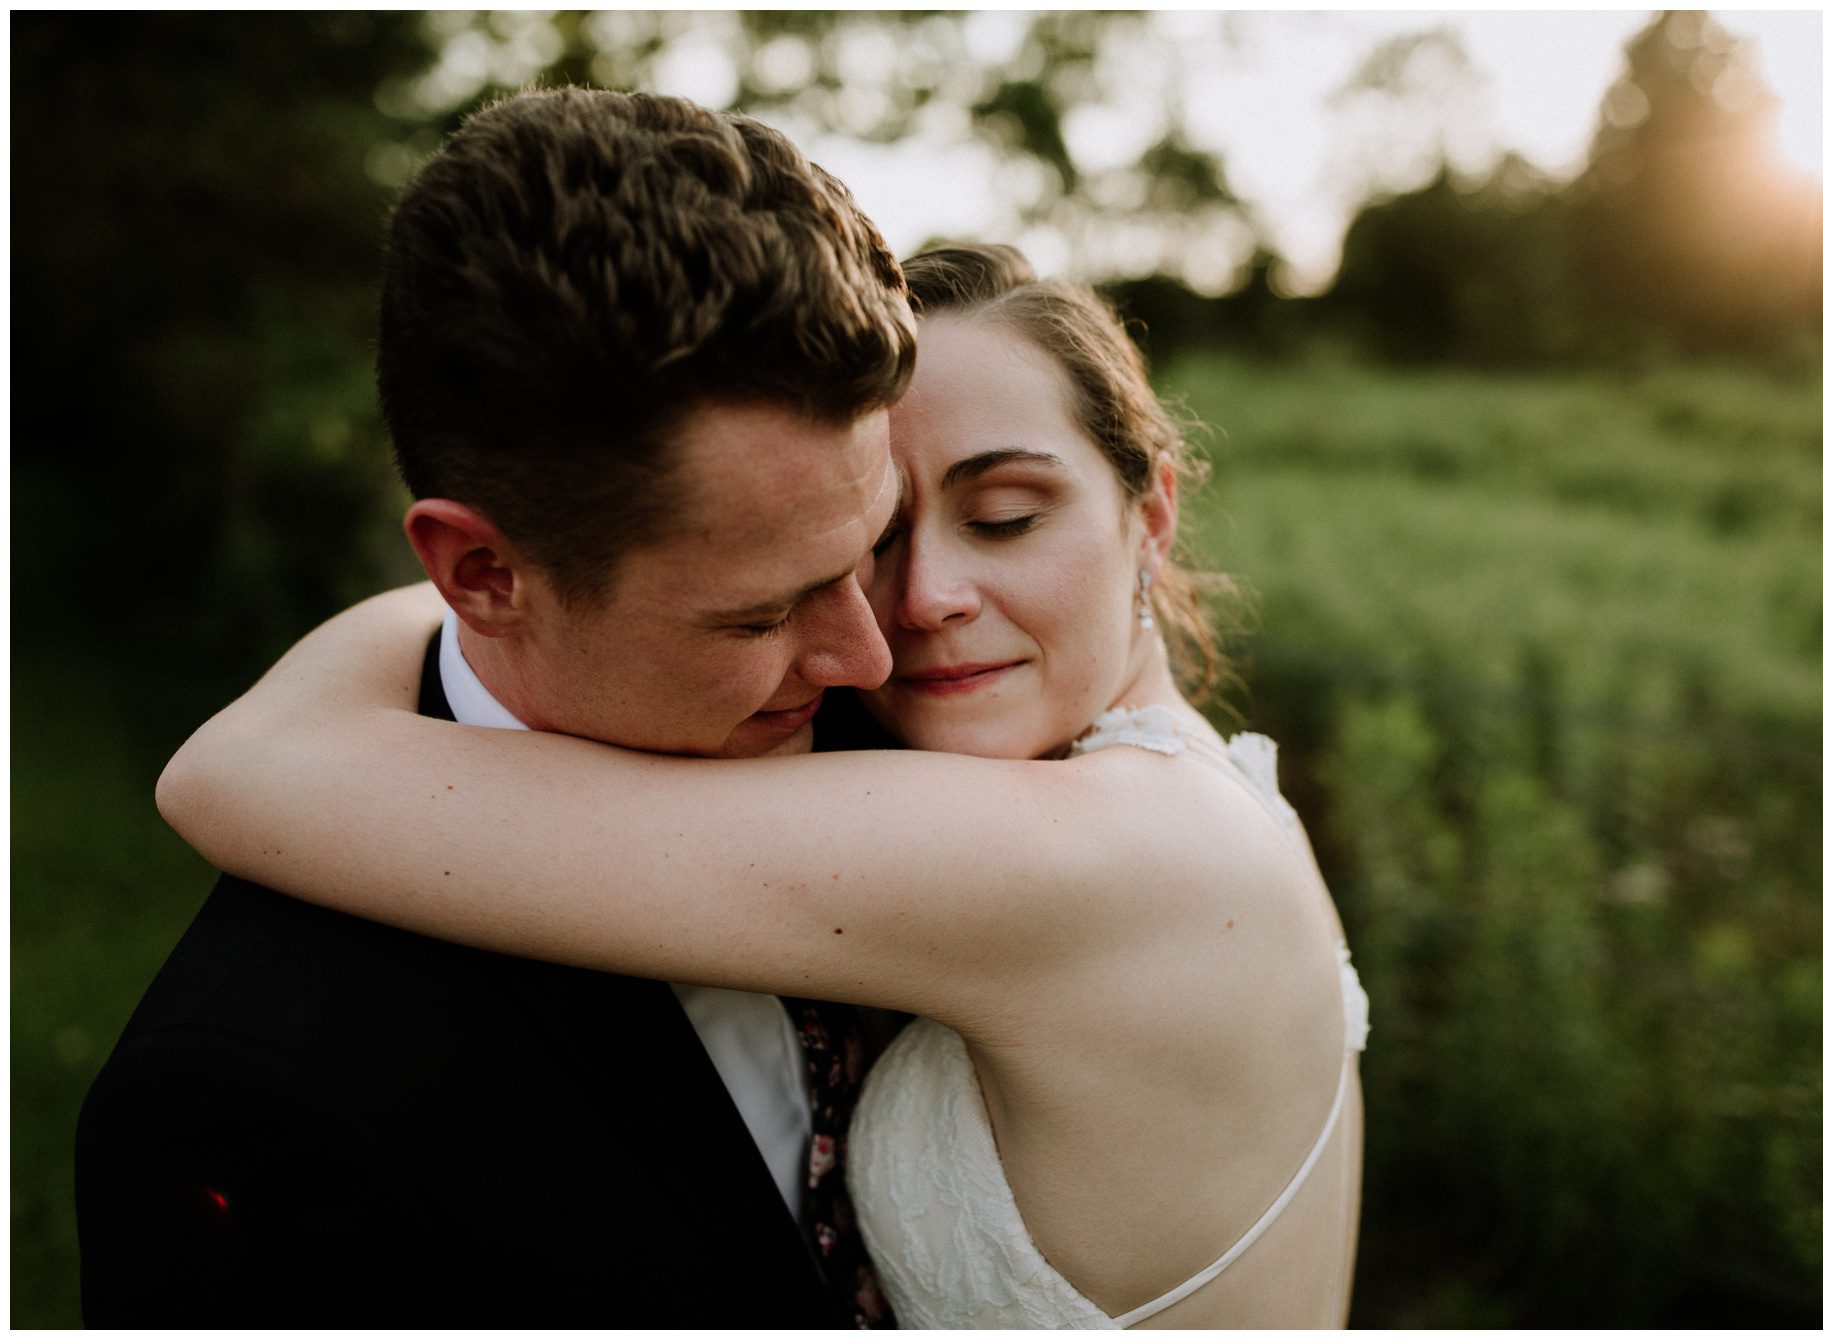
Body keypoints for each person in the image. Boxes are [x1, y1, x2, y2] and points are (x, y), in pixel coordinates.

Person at [154, 242, 1371, 1328]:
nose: (922, 597)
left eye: (1005, 515)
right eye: (869, 539)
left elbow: (243, 771)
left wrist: (493, 578)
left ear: (1150, 514)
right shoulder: (1211, 799)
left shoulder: (1100, 858)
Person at [75, 87, 916, 1327]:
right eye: (758, 616)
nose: (869, 658)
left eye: (874, 545)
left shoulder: (945, 725)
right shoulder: (259, 1086)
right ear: (481, 574)